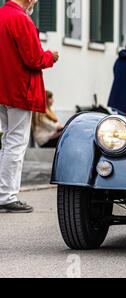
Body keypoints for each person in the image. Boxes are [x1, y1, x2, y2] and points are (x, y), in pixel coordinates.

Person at [0, 0, 59, 213]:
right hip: (19, 88)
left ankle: (4, 192)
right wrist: (51, 56)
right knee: (16, 142)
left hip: (3, 87)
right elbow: (34, 59)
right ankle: (7, 196)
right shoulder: (21, 18)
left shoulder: (2, 14)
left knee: (8, 141)